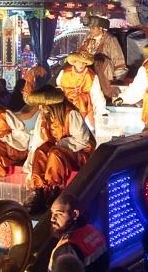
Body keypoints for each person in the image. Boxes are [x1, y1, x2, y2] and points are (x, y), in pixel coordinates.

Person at [22, 85, 95, 213]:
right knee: (41, 151)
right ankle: (39, 191)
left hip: (78, 152)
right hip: (57, 148)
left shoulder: (70, 113)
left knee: (54, 153)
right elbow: (38, 141)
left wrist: (60, 144)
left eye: (43, 105)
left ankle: (54, 189)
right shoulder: (44, 116)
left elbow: (82, 140)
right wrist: (29, 170)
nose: (41, 108)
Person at [49, 192, 109, 272]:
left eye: (59, 214)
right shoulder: (92, 230)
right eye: (52, 213)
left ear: (75, 214)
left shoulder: (67, 249)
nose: (52, 219)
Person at [79, 13, 127, 98]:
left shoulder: (110, 39)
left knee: (99, 61)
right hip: (88, 69)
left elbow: (118, 59)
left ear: (100, 28)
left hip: (104, 70)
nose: (90, 30)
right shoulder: (88, 37)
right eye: (90, 28)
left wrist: (117, 79)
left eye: (93, 28)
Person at [55, 51, 107, 126]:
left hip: (84, 106)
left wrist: (101, 113)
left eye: (83, 62)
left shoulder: (91, 76)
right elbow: (58, 91)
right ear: (74, 62)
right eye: (79, 62)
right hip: (67, 105)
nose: (81, 64)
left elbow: (97, 96)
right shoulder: (64, 73)